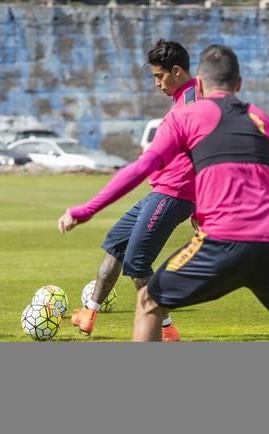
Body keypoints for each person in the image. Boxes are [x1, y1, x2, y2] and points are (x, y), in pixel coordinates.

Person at [59, 44, 269, 342]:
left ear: (199, 82)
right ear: (239, 84)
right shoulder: (261, 118)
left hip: (222, 241)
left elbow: (140, 169)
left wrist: (84, 211)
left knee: (148, 302)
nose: (157, 83)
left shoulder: (184, 116)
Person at [69, 39, 197, 341]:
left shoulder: (193, 103)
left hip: (174, 194)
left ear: (176, 71)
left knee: (137, 263)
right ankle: (89, 311)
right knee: (115, 243)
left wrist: (202, 204)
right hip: (160, 191)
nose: (156, 84)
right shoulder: (183, 98)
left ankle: (166, 329)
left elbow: (204, 153)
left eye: (159, 76)